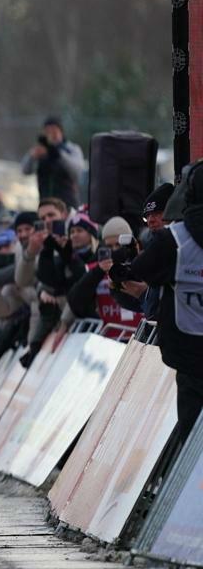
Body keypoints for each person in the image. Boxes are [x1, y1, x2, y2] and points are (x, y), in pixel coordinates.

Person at [113, 164, 203, 448]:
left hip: (188, 351)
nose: (152, 220)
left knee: (191, 433)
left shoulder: (174, 239)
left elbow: (142, 269)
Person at [21, 116, 84, 209]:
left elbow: (77, 172)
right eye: (47, 132)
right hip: (46, 203)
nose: (51, 135)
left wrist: (58, 154)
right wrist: (32, 156)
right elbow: (25, 170)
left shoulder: (71, 149)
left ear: (61, 132)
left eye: (54, 132)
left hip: (67, 203)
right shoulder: (41, 150)